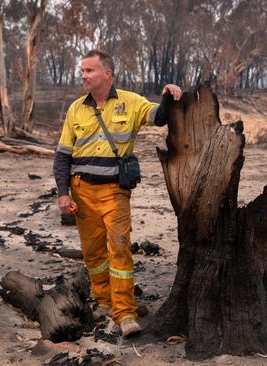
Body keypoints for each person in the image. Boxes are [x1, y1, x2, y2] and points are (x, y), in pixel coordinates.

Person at [53, 49, 181, 337]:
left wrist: (167, 94)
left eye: (89, 70)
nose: (83, 75)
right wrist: (64, 193)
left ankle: (124, 314)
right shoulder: (76, 109)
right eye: (82, 71)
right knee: (94, 254)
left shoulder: (131, 102)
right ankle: (103, 302)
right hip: (82, 192)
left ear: (106, 74)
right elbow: (62, 157)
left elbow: (159, 117)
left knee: (120, 248)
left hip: (115, 192)